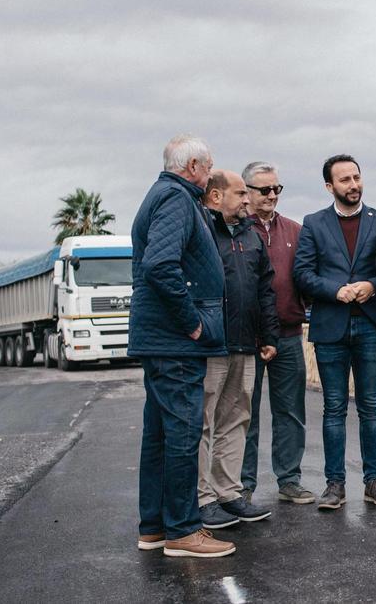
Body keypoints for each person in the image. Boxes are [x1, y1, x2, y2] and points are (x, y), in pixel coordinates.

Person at [130, 135, 233, 558]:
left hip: (161, 340)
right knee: (183, 432)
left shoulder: (165, 195)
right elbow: (160, 264)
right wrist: (192, 322)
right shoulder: (175, 198)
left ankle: (155, 527)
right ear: (192, 165)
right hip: (174, 342)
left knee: (159, 433)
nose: (209, 175)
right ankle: (183, 531)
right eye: (207, 168)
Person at [293, 154, 376, 511]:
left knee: (371, 407)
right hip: (331, 325)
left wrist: (372, 285)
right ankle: (334, 485)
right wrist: (336, 290)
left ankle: (374, 482)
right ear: (330, 186)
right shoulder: (313, 223)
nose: (353, 185)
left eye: (357, 177)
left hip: (370, 324)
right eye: (344, 180)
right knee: (334, 408)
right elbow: (303, 273)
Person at [196, 170, 280, 529]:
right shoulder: (200, 231)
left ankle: (229, 494)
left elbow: (265, 289)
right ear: (216, 197)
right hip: (211, 344)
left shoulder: (252, 235)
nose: (248, 201)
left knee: (237, 419)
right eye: (241, 194)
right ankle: (201, 500)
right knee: (202, 423)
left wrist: (269, 335)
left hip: (246, 344)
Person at [240, 161, 315, 505]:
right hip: (246, 338)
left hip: (288, 333)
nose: (272, 195)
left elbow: (306, 275)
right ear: (247, 192)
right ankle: (243, 485)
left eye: (277, 189)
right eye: (264, 190)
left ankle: (289, 479)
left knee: (290, 411)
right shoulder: (237, 230)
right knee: (245, 413)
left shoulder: (295, 231)